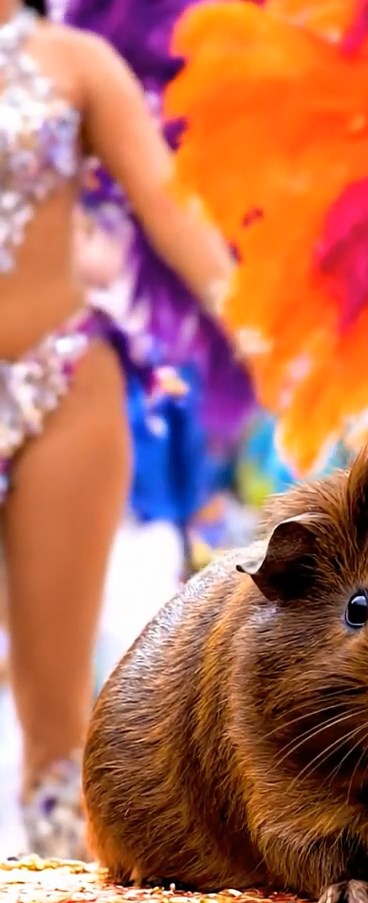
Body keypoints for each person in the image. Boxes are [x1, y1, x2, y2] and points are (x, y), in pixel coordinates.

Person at [0, 0, 235, 859]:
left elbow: (173, 216)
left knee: (55, 711)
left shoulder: (75, 62)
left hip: (65, 386)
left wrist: (286, 344)